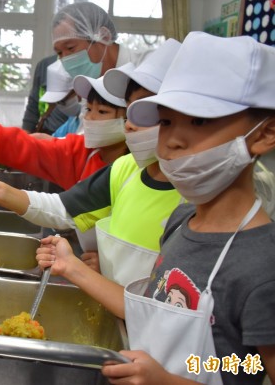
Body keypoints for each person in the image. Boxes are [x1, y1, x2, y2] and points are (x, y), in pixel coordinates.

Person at [37, 32, 275, 385]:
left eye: (199, 121)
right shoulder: (182, 222)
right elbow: (149, 310)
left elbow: (246, 366)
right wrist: (70, 267)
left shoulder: (262, 267)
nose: (173, 140)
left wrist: (167, 381)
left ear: (263, 134)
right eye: (165, 121)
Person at [0, 39, 183, 287]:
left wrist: (86, 268)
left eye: (147, 113)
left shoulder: (196, 195)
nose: (130, 124)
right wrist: (0, 191)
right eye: (130, 111)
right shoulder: (124, 169)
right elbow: (63, 209)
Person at [0, 73, 128, 192]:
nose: (90, 119)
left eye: (102, 112)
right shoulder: (82, 152)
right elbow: (26, 146)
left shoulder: (132, 170)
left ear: (130, 119)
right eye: (88, 110)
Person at [22, 1, 147, 133]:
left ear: (103, 36)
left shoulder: (144, 69)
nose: (65, 59)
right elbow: (84, 133)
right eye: (59, 53)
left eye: (70, 48)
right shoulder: (90, 82)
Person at [29, 59, 83, 141]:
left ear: (78, 93)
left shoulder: (92, 121)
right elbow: (55, 138)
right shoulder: (72, 121)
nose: (60, 106)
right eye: (56, 103)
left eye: (62, 101)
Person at [21, 54, 71, 134]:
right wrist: (25, 138)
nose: (64, 55)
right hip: (47, 133)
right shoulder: (44, 65)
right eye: (59, 51)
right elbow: (33, 103)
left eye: (70, 48)